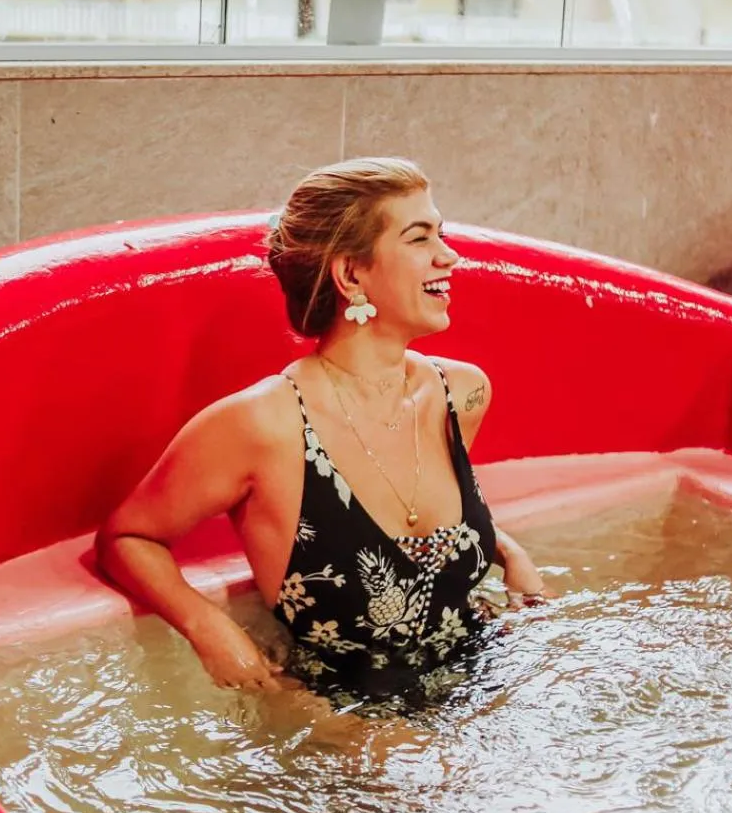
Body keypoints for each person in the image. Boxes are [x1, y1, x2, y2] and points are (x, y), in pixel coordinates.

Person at [96, 158, 549, 706]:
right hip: (339, 727)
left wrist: (510, 551)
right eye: (419, 237)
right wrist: (208, 627)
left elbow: (423, 531)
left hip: (481, 683)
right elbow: (128, 538)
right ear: (351, 275)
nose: (448, 255)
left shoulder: (461, 393)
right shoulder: (263, 424)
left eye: (442, 233)